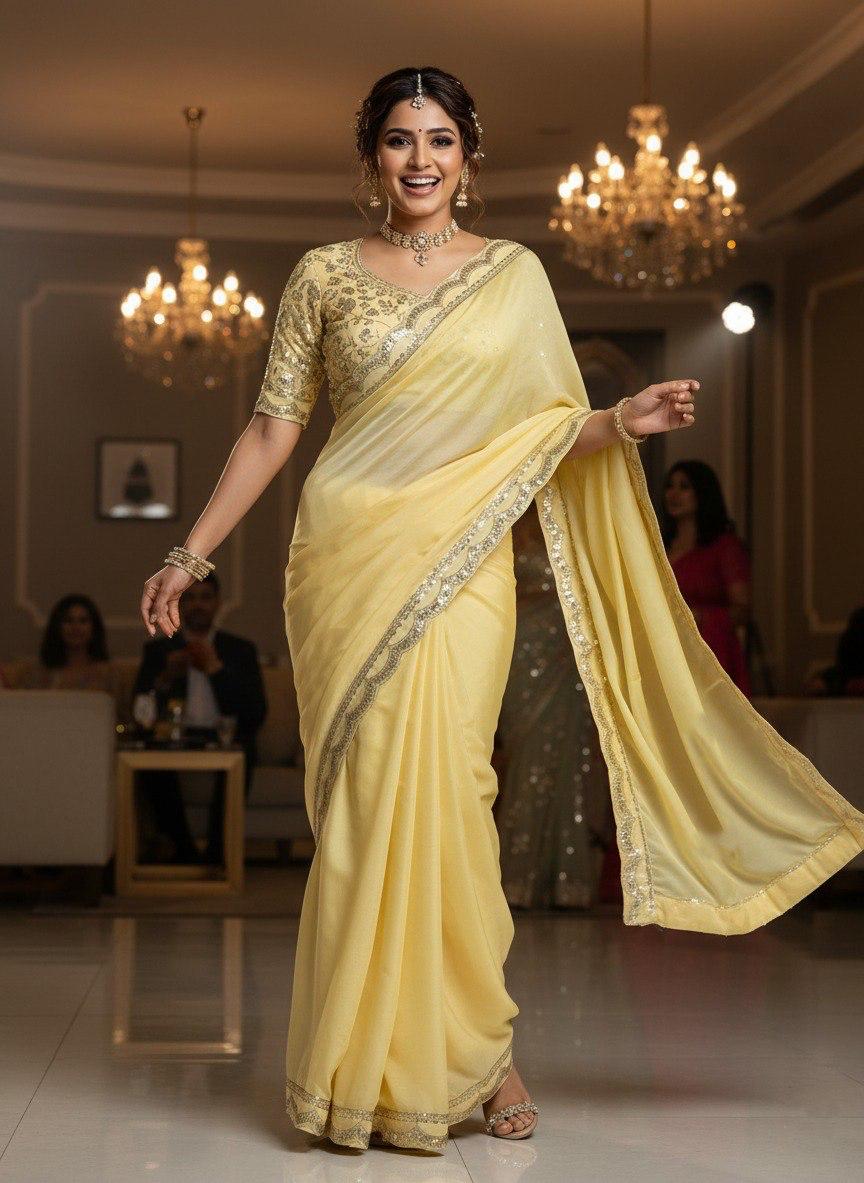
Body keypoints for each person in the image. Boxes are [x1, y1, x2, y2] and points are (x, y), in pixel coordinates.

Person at [138, 67, 864, 1154]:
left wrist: (617, 419)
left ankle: (484, 1052)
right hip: (346, 558)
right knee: (372, 807)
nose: (419, 159)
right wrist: (191, 550)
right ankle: (357, 1068)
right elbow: (273, 429)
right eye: (397, 140)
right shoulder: (323, 275)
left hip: (463, 564)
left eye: (438, 138)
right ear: (371, 157)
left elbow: (538, 428)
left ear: (470, 153)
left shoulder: (514, 276)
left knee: (455, 796)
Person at [495, 501, 612, 909]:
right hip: (522, 651)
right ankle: (515, 882)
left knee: (570, 761)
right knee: (525, 758)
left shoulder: (575, 515)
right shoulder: (505, 516)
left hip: (570, 653)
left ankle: (569, 884)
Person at [133, 572, 266, 864]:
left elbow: (255, 713)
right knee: (149, 758)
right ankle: (186, 852)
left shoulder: (240, 650)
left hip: (224, 737)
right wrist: (165, 678)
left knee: (246, 749)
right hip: (175, 736)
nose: (198, 605)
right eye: (190, 598)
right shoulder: (159, 649)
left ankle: (220, 854)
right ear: (180, 604)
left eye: (205, 597)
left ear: (217, 603)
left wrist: (215, 670)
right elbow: (139, 708)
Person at [661, 460, 753, 694]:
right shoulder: (658, 546)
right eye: (670, 486)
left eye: (684, 487)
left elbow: (742, 610)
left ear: (702, 492)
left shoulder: (723, 547)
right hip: (665, 650)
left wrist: (700, 617)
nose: (674, 494)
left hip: (710, 653)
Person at [17, 594, 123, 702]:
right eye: (68, 620)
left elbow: (118, 715)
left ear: (94, 628)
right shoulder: (37, 673)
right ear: (57, 627)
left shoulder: (108, 675)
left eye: (83, 621)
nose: (75, 627)